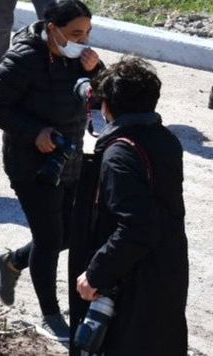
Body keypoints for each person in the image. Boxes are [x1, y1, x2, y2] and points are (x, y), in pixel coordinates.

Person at [0, 0, 104, 343]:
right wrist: (34, 132)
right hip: (30, 164)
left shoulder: (80, 58)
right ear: (53, 30)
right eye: (75, 33)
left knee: (70, 233)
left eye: (87, 33)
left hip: (70, 158)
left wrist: (97, 69)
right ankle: (51, 314)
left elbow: (107, 94)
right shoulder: (24, 58)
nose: (83, 40)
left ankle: (12, 263)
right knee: (51, 238)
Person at [69, 57, 188, 356]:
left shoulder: (119, 154)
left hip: (134, 282)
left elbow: (137, 227)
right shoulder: (165, 139)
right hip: (167, 271)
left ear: (107, 106)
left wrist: (96, 273)